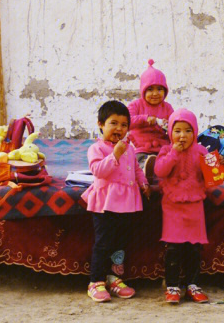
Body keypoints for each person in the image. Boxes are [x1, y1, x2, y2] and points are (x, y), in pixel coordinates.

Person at [82, 100, 150, 302]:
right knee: (103, 243)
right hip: (105, 204)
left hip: (127, 203)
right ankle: (96, 281)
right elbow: (98, 171)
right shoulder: (97, 148)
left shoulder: (129, 148)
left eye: (123, 125)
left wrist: (144, 183)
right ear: (101, 124)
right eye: (113, 123)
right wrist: (115, 154)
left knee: (120, 243)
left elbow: (136, 169)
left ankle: (114, 278)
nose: (119, 129)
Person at [153, 109, 211, 305]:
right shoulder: (166, 150)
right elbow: (160, 171)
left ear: (195, 132)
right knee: (174, 248)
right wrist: (174, 153)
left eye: (188, 130)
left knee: (194, 247)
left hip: (195, 205)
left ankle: (192, 285)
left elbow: (213, 179)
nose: (182, 136)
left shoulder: (202, 151)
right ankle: (172, 287)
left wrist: (217, 165)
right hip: (173, 206)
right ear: (170, 132)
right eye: (177, 131)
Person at [127, 59, 174, 180]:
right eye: (150, 89)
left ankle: (160, 169)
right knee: (138, 160)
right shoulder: (135, 105)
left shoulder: (167, 108)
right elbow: (127, 121)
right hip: (142, 148)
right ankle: (145, 170)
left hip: (162, 148)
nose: (155, 93)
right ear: (143, 90)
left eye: (159, 89)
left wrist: (168, 125)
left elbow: (175, 127)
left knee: (169, 160)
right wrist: (145, 119)